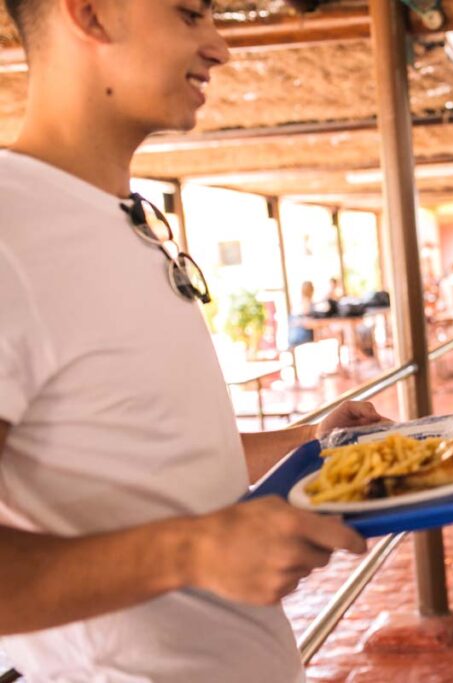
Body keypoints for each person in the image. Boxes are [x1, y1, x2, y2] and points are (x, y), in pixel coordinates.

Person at [0, 2, 386, 680]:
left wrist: (312, 444)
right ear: (90, 14)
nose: (220, 48)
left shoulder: (124, 217)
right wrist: (193, 552)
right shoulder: (12, 230)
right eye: (189, 13)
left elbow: (160, 455)